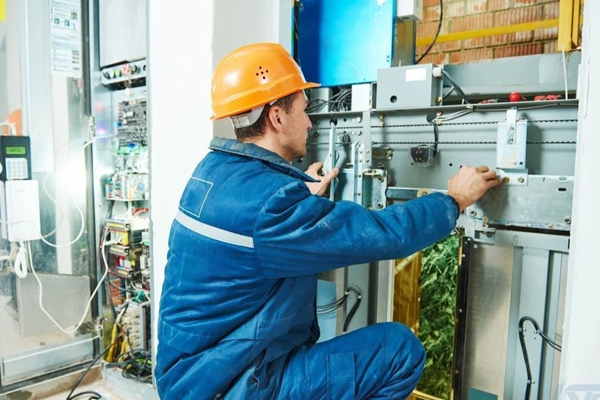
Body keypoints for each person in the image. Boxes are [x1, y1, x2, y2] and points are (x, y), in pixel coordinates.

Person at [156, 43, 501, 400]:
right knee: (399, 350)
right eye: (304, 110)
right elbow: (386, 235)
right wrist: (454, 200)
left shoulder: (211, 171)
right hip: (234, 385)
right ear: (277, 117)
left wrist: (300, 195)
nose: (310, 123)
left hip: (190, 378)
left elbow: (256, 228)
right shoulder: (273, 207)